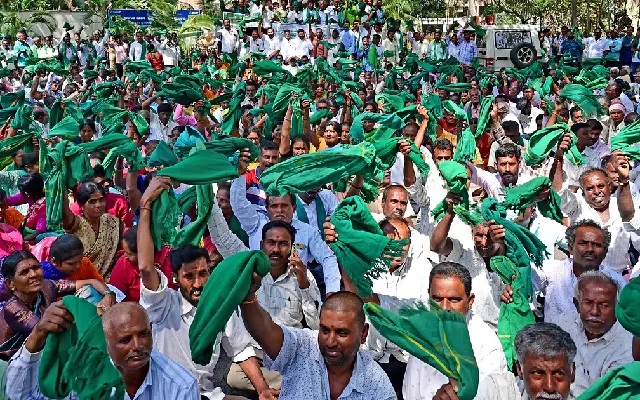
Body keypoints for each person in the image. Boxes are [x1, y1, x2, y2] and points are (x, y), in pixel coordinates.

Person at [137, 176, 279, 400]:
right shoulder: (163, 305)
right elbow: (145, 268)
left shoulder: (220, 306)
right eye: (188, 277)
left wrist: (262, 390)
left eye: (203, 274)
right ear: (175, 278)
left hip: (206, 394)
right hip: (165, 394)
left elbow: (241, 349)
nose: (197, 284)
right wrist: (145, 205)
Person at [6, 301, 200, 399]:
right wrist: (37, 335)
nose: (137, 346)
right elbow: (21, 397)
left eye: (143, 334)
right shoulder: (82, 373)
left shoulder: (180, 386)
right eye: (125, 340)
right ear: (105, 341)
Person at [240, 286, 396, 399]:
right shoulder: (303, 346)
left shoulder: (377, 385)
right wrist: (248, 297)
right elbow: (264, 330)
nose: (330, 341)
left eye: (342, 333)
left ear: (363, 333)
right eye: (325, 330)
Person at [402, 261, 509, 399]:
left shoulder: (486, 347)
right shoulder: (422, 335)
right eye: (437, 299)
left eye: (454, 299)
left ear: (470, 301)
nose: (444, 307)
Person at [0, 250, 115, 360]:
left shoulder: (47, 286)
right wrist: (93, 314)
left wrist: (108, 294)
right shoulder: (12, 308)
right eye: (24, 272)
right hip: (17, 358)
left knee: (89, 291)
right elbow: (47, 333)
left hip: (49, 344)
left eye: (36, 268)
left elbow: (91, 282)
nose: (33, 274)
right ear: (11, 284)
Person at [550, 270, 633, 397]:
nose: (595, 311)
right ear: (576, 304)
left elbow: (607, 394)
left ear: (617, 307)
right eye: (588, 303)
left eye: (604, 305)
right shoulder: (562, 324)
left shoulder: (628, 345)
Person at [63, 181, 122, 279]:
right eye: (92, 202)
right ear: (81, 205)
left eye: (101, 200)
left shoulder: (112, 222)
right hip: (83, 281)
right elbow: (64, 211)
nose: (98, 205)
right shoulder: (76, 223)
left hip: (108, 279)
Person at [109, 225, 175, 303]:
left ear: (144, 253)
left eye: (129, 254)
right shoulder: (124, 263)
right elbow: (114, 295)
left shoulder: (171, 261)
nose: (125, 256)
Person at [515, 323, 577, 400]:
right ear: (520, 370)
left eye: (559, 373)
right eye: (538, 373)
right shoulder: (502, 394)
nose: (549, 387)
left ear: (572, 373)